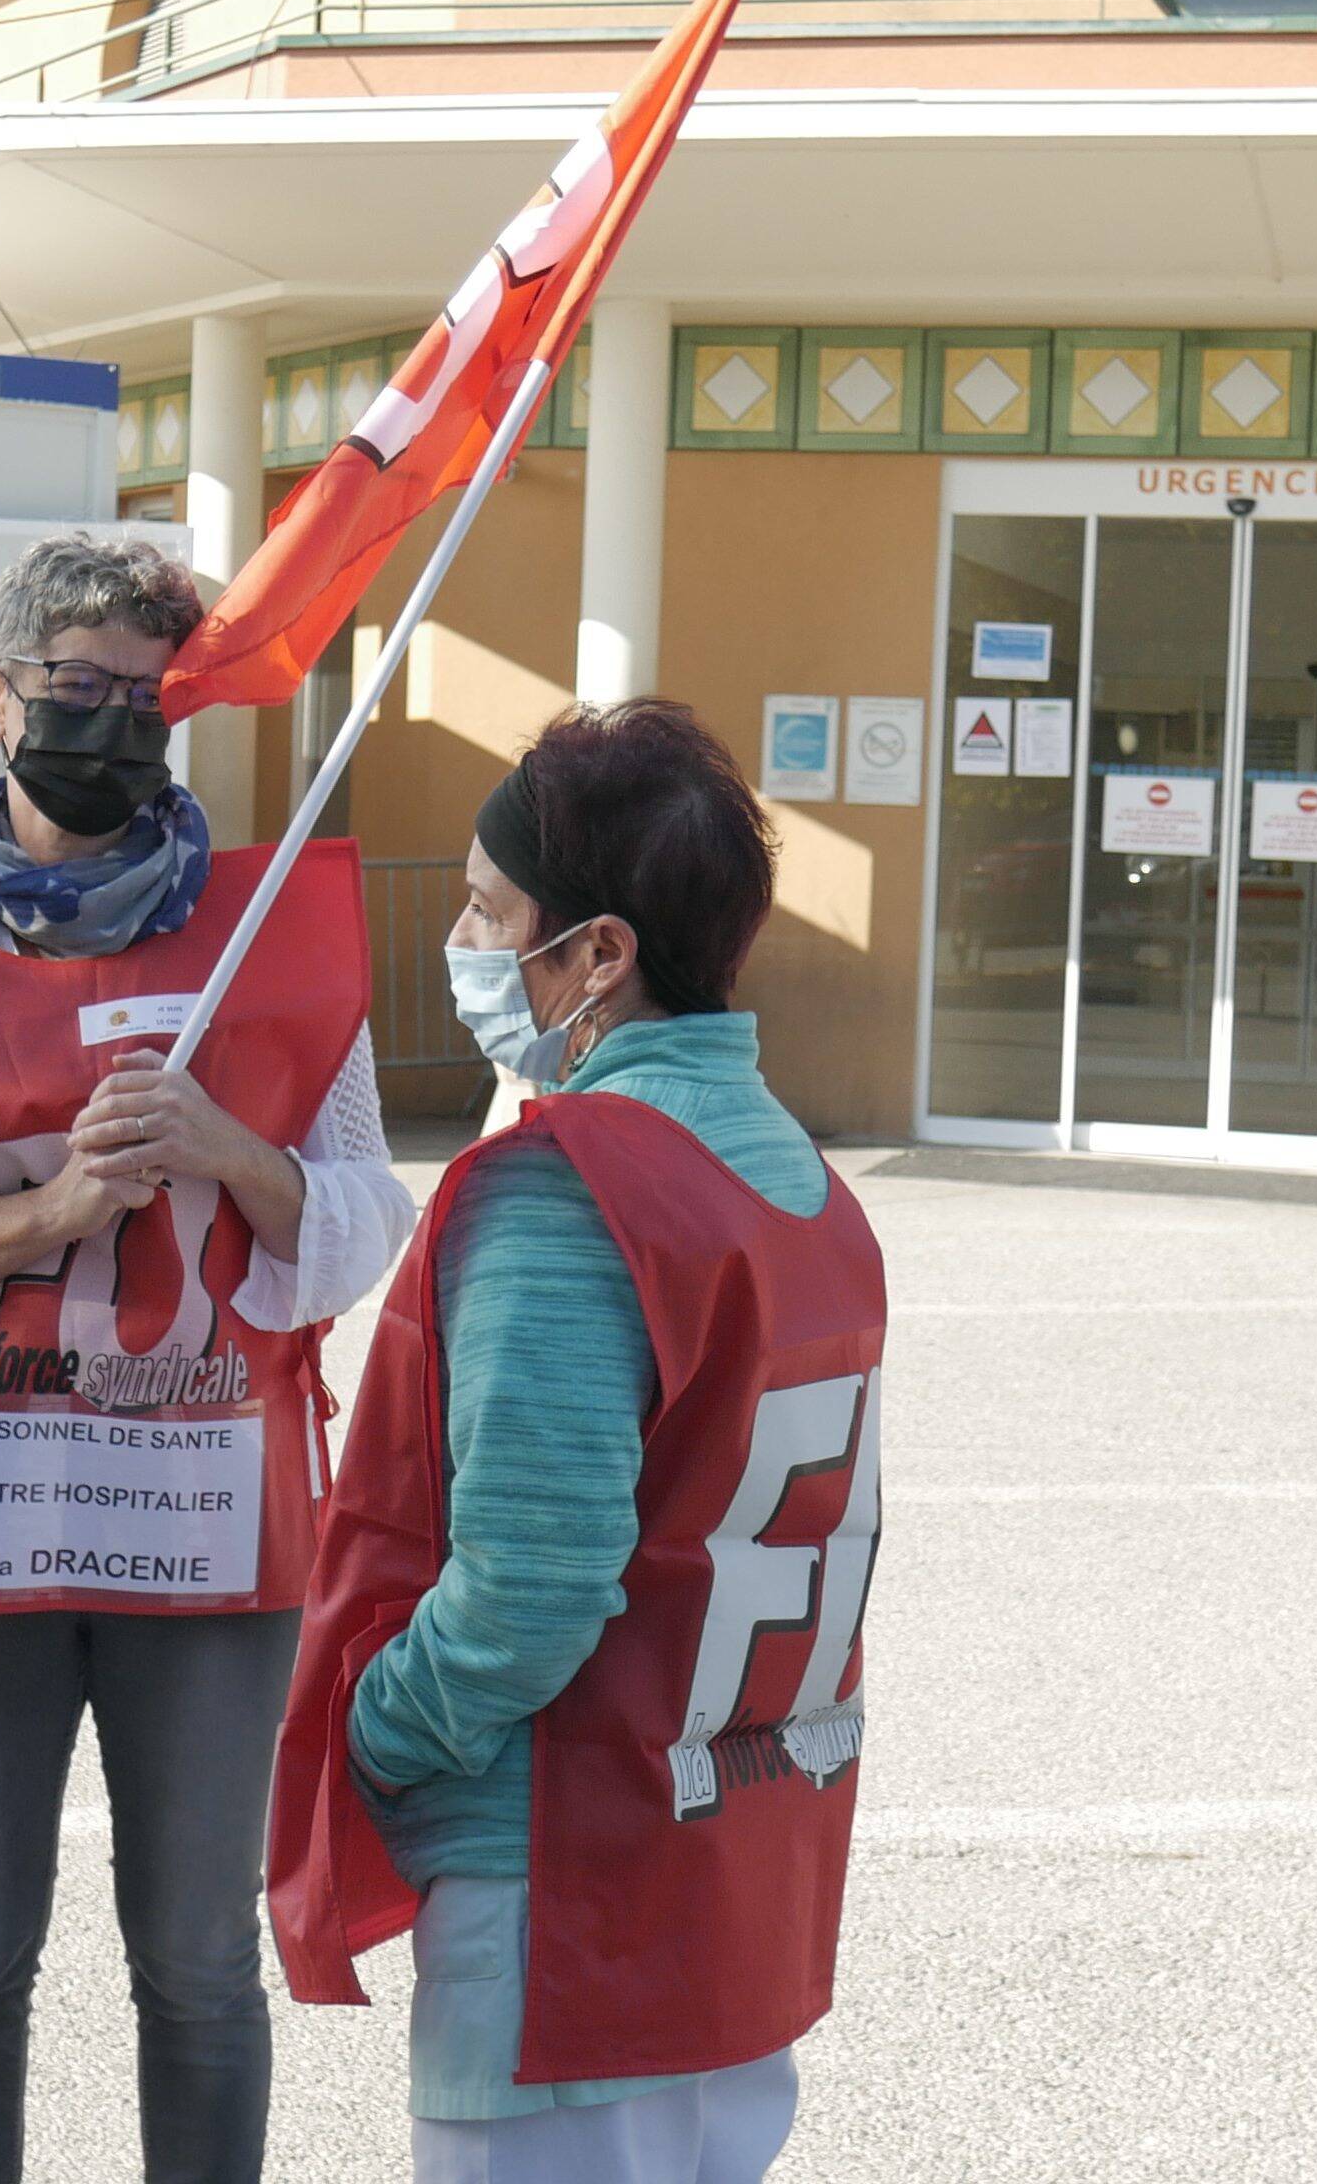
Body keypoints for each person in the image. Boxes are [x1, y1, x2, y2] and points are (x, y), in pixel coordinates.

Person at [0, 532, 416, 2184]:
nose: (116, 721)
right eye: (79, 687)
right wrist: (39, 1210)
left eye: (148, 694)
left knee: (198, 1957)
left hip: (199, 1501)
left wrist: (230, 1149)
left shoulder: (270, 926)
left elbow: (357, 1221)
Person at [269, 701, 889, 2184]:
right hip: (737, 1869)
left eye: (493, 914)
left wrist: (367, 1737)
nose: (469, 945)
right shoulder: (799, 1172)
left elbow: (531, 1588)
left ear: (598, 952)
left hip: (568, 1893)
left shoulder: (569, 1188)